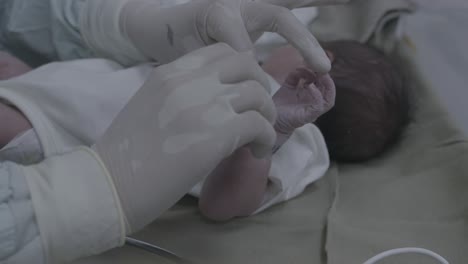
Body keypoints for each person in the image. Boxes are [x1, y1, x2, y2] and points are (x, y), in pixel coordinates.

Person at [0, 0, 353, 262]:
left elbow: (223, 205)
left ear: (324, 59)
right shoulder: (246, 58)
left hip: (74, 140)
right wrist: (156, 30)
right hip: (65, 88)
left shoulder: (304, 142)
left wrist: (270, 131)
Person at [199, 40, 409, 221]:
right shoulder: (306, 154)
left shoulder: (303, 145)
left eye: (291, 41)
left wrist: (268, 135)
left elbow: (220, 206)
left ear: (314, 60)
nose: (284, 43)